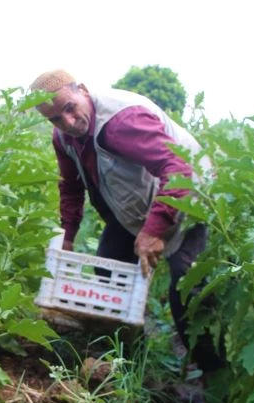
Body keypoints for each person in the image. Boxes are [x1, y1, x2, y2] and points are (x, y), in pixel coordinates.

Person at [29, 69, 224, 372]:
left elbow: (178, 170)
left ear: (83, 90)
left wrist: (154, 230)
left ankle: (213, 374)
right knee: (108, 269)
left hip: (189, 196)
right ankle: (132, 361)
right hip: (135, 200)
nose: (68, 122)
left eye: (70, 108)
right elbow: (70, 187)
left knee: (187, 286)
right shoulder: (64, 138)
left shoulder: (122, 123)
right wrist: (67, 235)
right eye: (55, 119)